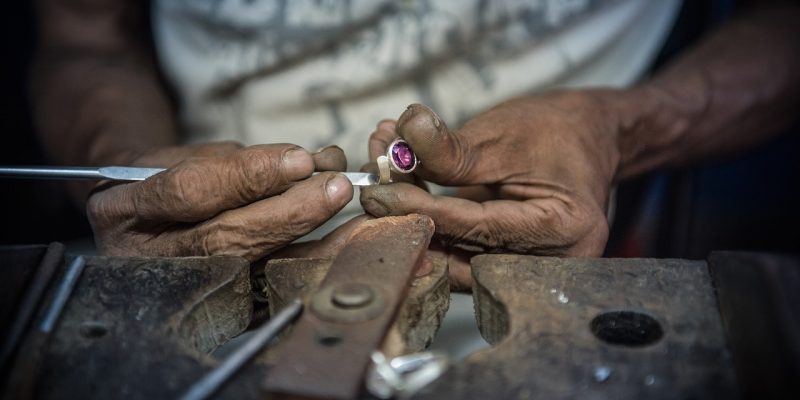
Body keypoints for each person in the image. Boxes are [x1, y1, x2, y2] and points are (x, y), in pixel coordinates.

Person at [31, 0, 800, 288]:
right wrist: (139, 180)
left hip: (559, 254)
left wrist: (623, 128)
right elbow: (83, 38)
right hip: (213, 267)